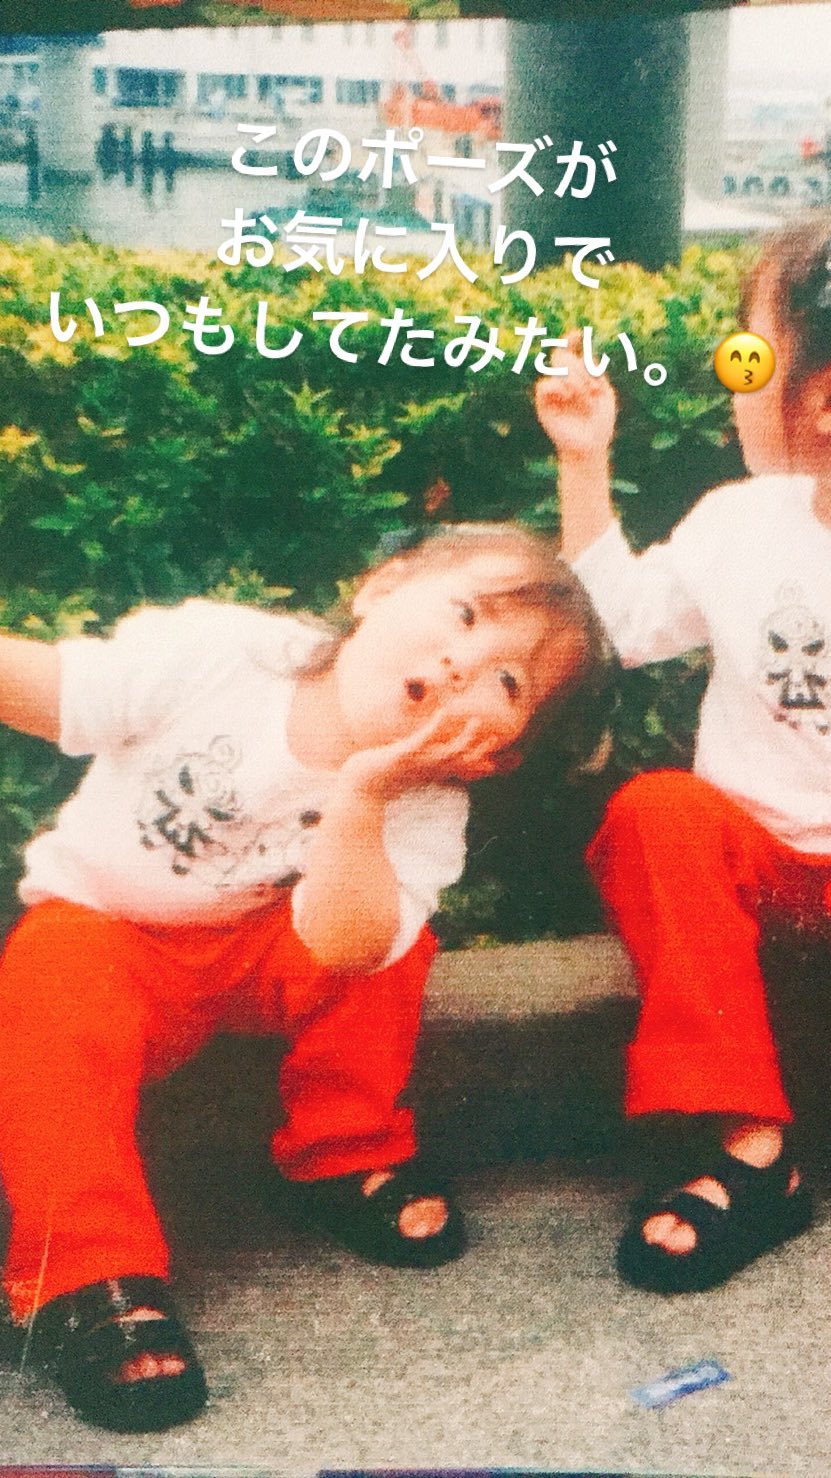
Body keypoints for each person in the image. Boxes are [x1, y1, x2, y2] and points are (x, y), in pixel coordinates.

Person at [0, 521, 603, 1431]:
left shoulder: (427, 804)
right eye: (463, 614)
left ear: (498, 753)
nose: (461, 663)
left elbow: (346, 946)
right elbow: (59, 691)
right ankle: (84, 1275)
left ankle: (342, 1150)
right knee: (50, 975)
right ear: (379, 587)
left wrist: (363, 794)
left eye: (507, 681)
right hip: (112, 933)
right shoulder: (223, 653)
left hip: (264, 946)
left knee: (395, 940)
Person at [535, 213, 831, 1296]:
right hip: (760, 873)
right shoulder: (739, 523)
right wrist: (584, 461)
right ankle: (751, 1145)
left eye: (749, 356)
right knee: (658, 813)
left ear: (822, 400)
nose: (731, 379)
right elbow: (615, 622)